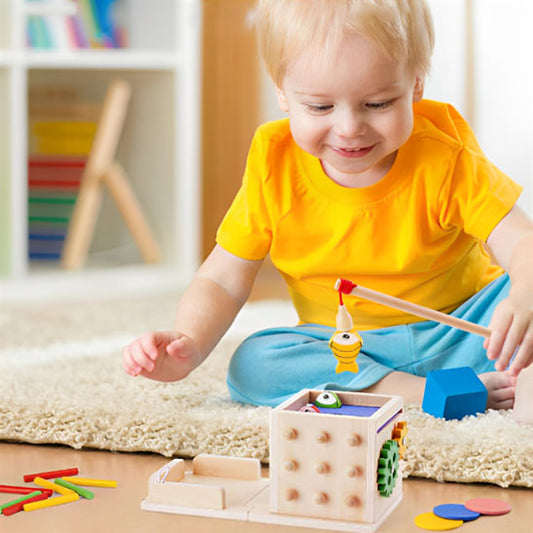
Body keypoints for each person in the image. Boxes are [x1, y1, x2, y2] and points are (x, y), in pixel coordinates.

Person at [122, 0, 533, 424]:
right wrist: (189, 341)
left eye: (377, 103)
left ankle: (513, 385)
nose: (350, 127)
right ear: (282, 92)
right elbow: (223, 280)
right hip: (350, 352)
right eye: (320, 107)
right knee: (253, 365)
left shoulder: (445, 154)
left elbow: (521, 240)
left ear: (415, 84)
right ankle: (424, 393)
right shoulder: (274, 164)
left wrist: (524, 293)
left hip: (465, 332)